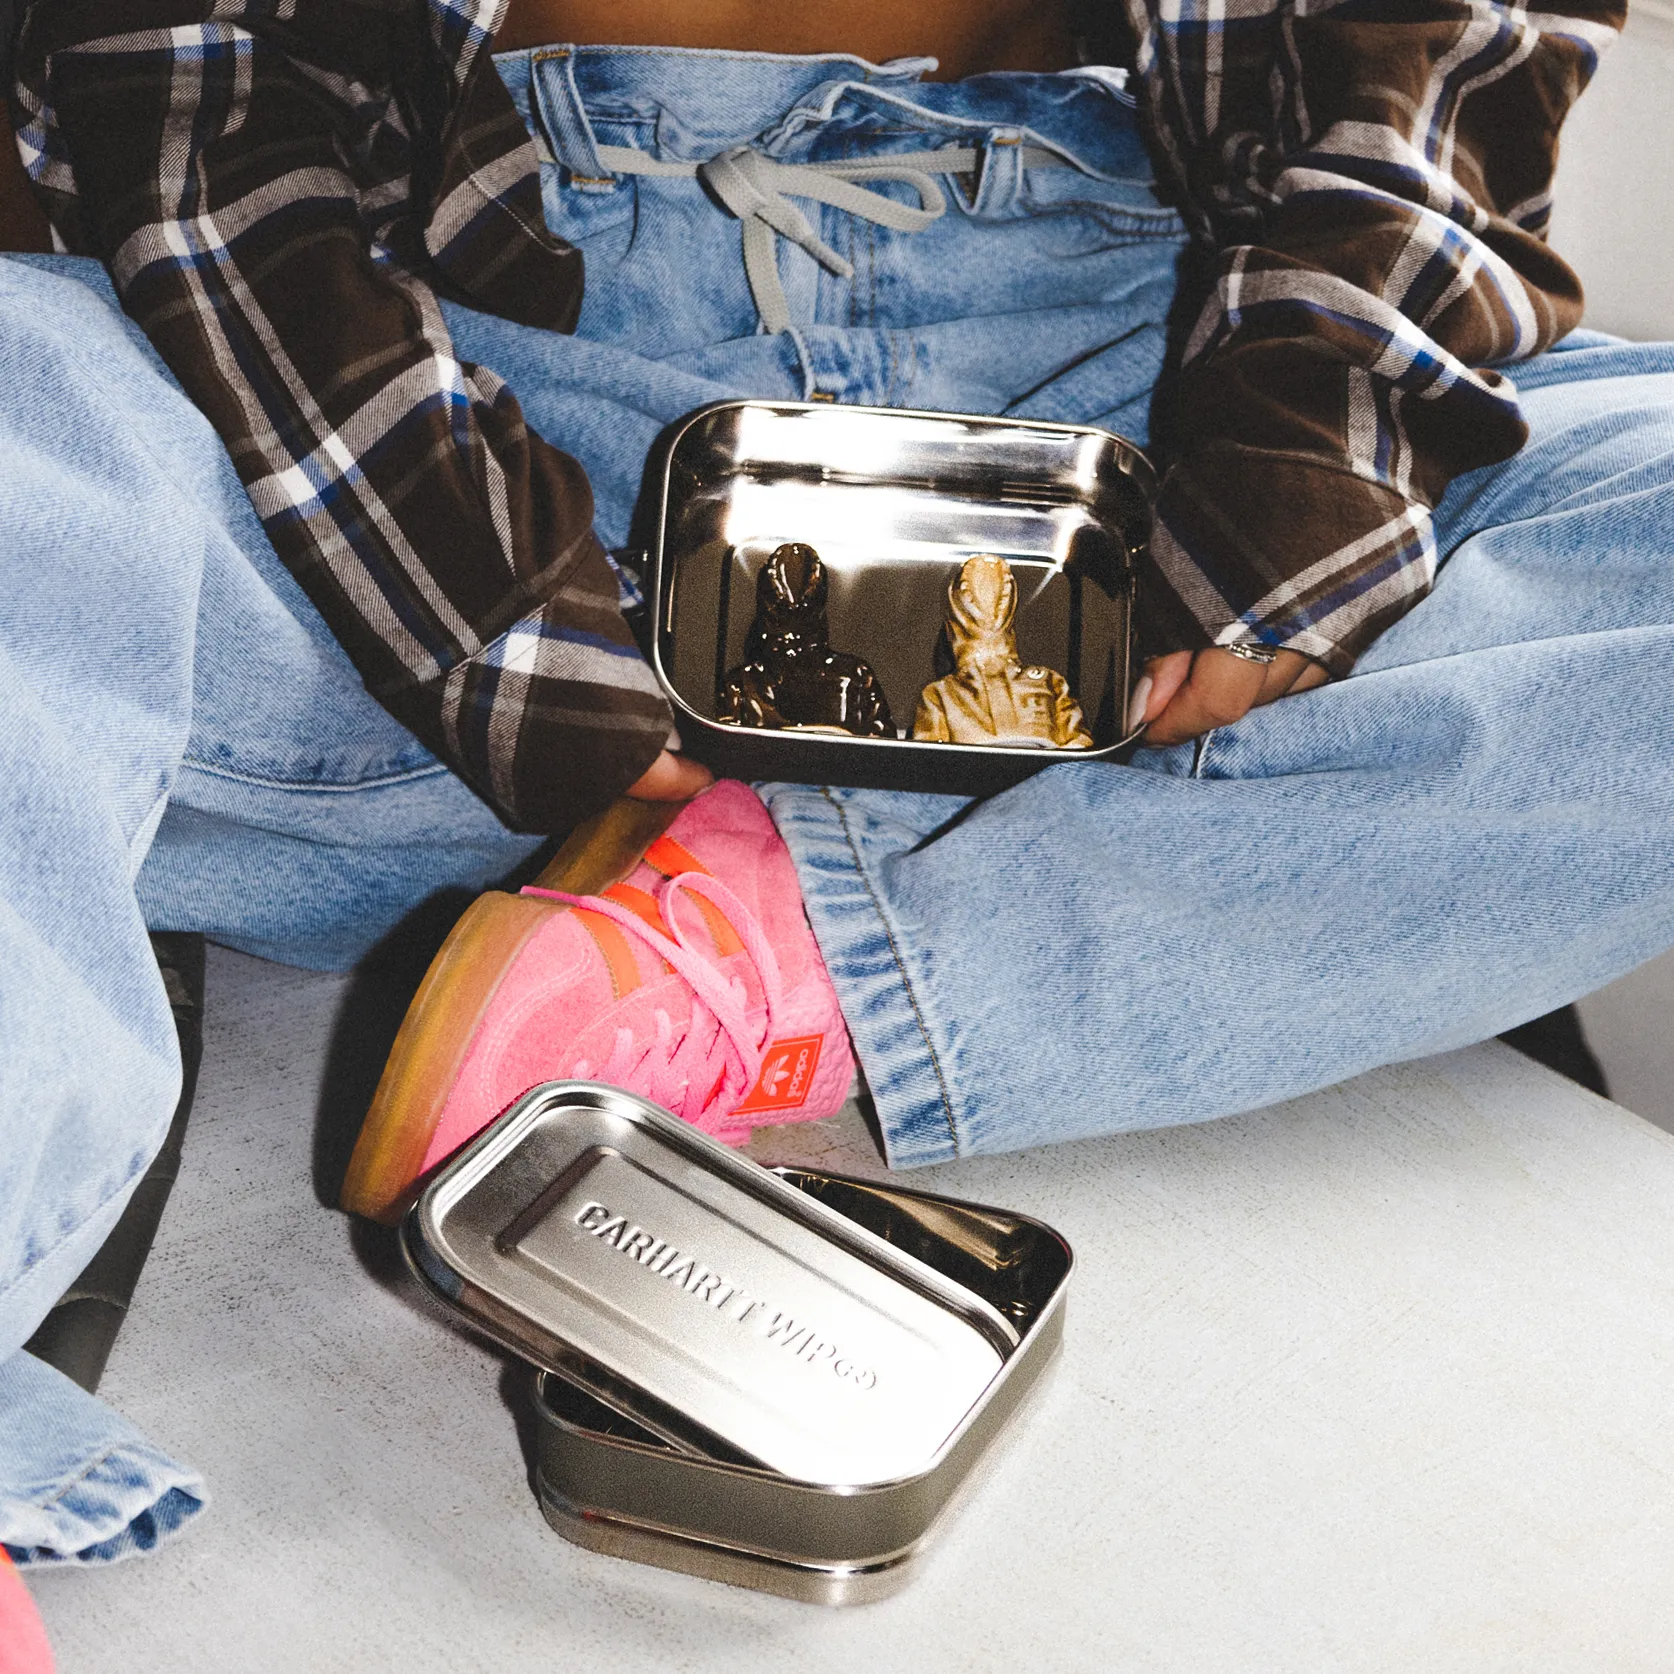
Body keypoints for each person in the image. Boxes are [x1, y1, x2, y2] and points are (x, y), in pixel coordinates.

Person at [5, 0, 1672, 1585]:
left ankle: (758, 940)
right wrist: (476, 606)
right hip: (452, 361)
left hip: (1113, 345)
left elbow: (1438, 57)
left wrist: (1317, 441)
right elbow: (189, 108)